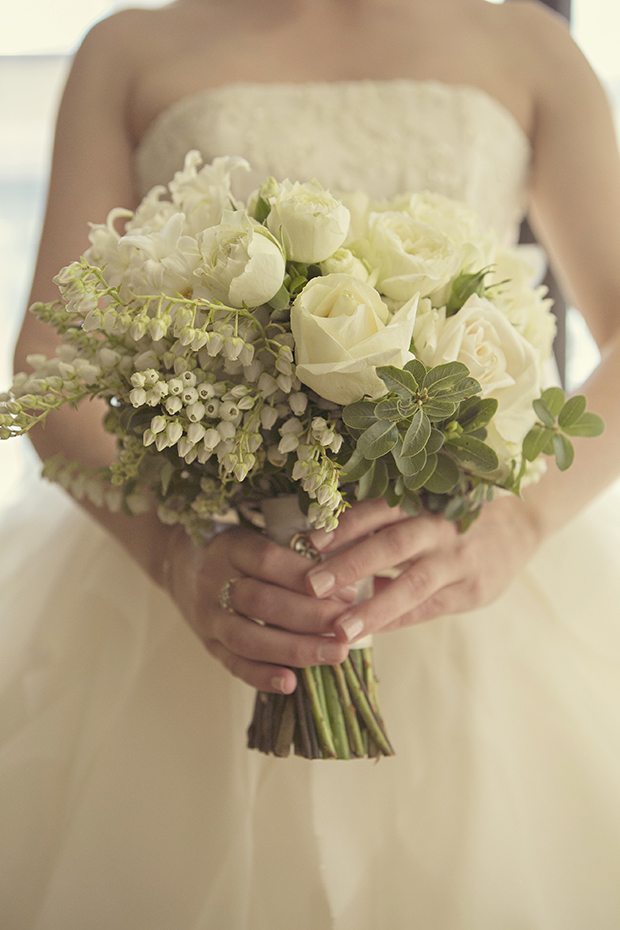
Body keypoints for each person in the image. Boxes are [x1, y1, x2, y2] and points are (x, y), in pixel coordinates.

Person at [1, 0, 620, 926]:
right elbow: (51, 373)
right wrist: (176, 555)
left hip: (460, 586)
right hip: (190, 583)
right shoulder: (126, 50)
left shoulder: (528, 46)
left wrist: (519, 523)